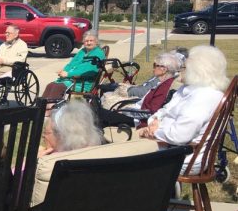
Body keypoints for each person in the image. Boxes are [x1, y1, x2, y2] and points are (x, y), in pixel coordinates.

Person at [138, 45, 229, 174]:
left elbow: (179, 135)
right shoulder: (188, 89)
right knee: (122, 146)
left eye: (183, 67)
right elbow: (164, 110)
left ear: (197, 70)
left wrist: (154, 131)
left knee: (120, 156)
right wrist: (155, 120)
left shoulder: (205, 97)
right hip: (169, 146)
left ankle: (150, 191)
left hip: (184, 158)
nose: (179, 70)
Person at [96, 52, 180, 127]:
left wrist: (125, 111)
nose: (153, 68)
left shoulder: (163, 88)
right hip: (137, 111)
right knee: (99, 111)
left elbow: (151, 112)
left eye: (155, 65)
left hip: (138, 119)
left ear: (164, 69)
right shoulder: (162, 83)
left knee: (98, 113)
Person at [39, 100, 103, 157]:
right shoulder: (98, 154)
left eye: (46, 132)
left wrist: (35, 160)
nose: (43, 136)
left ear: (62, 136)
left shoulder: (47, 163)